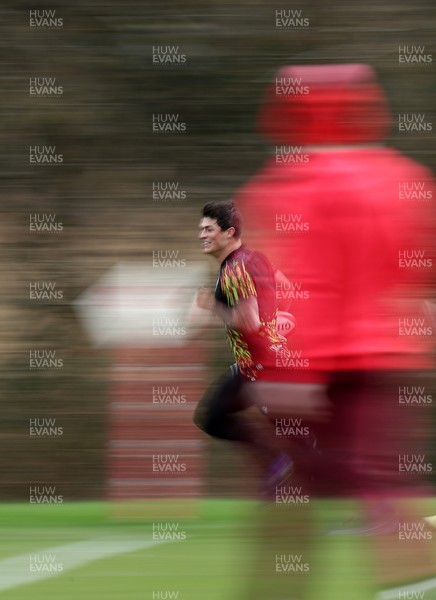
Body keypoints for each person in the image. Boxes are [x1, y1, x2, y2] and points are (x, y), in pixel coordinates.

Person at [235, 63, 435, 596]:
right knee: (376, 477)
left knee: (290, 487)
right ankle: (413, 574)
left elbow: (298, 283)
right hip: (388, 356)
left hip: (309, 364)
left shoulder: (288, 180)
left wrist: (283, 367)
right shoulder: (405, 177)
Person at [193, 200, 298, 493]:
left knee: (304, 442)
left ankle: (281, 466)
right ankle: (277, 465)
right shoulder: (255, 258)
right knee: (214, 416)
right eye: (201, 228)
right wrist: (280, 322)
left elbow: (249, 322)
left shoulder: (234, 271)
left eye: (209, 229)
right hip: (262, 364)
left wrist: (211, 306)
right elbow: (286, 288)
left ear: (229, 232)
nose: (202, 234)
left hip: (262, 369)